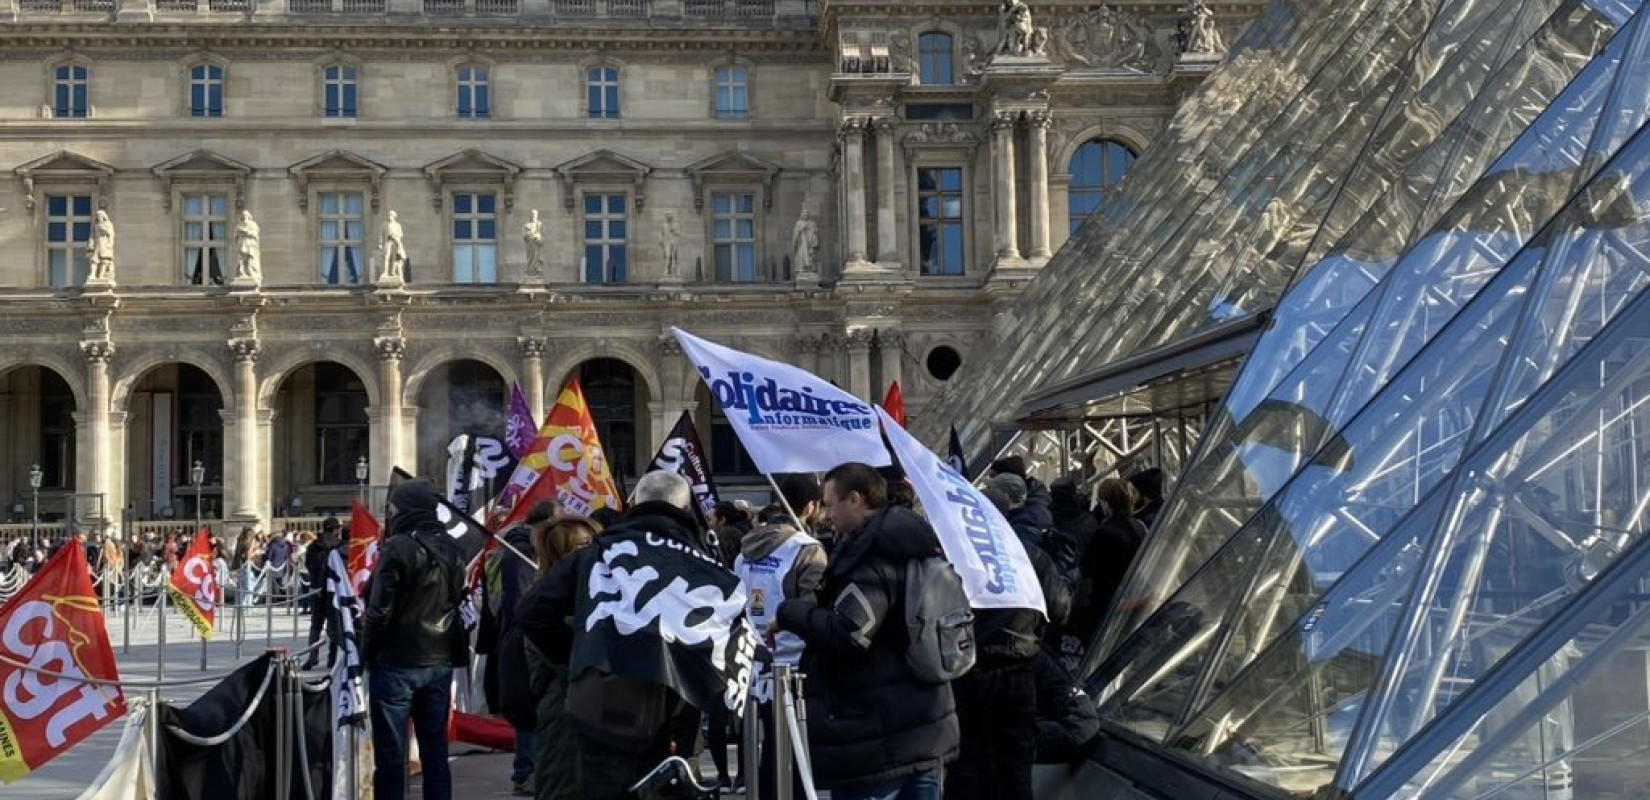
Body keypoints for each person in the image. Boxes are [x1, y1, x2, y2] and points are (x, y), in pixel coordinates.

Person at [516, 472, 714, 800]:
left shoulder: (596, 553)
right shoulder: (699, 563)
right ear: (685, 507)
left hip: (596, 709)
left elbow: (531, 612)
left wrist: (583, 657)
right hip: (658, 711)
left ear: (634, 503)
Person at [774, 462, 959, 800]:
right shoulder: (913, 544)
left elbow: (850, 632)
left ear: (855, 500)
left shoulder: (873, 556)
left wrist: (791, 611)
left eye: (830, 504)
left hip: (878, 738)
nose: (826, 515)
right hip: (923, 726)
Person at [363, 479, 469, 800]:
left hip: (397, 661)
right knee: (435, 750)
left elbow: (379, 611)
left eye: (394, 507)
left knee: (392, 752)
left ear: (406, 508)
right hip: (439, 659)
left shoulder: (397, 546)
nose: (391, 513)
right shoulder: (453, 546)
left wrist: (366, 653)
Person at [735, 473, 827, 798]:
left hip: (754, 666)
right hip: (796, 669)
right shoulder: (808, 551)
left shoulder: (745, 548)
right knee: (796, 758)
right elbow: (813, 613)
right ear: (811, 506)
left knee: (771, 752)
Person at [499, 515, 601, 800]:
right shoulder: (546, 608)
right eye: (582, 546)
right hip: (563, 725)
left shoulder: (597, 597)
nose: (593, 553)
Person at [483, 499, 556, 796]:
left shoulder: (523, 549)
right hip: (524, 637)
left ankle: (533, 771)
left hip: (523, 635)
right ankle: (525, 773)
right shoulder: (521, 552)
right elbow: (519, 602)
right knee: (530, 706)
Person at [301, 517, 345, 670]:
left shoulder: (313, 545)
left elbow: (308, 564)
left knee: (316, 625)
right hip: (333, 589)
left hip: (316, 589)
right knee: (334, 624)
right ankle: (331, 659)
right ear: (335, 529)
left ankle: (312, 656)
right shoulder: (339, 546)